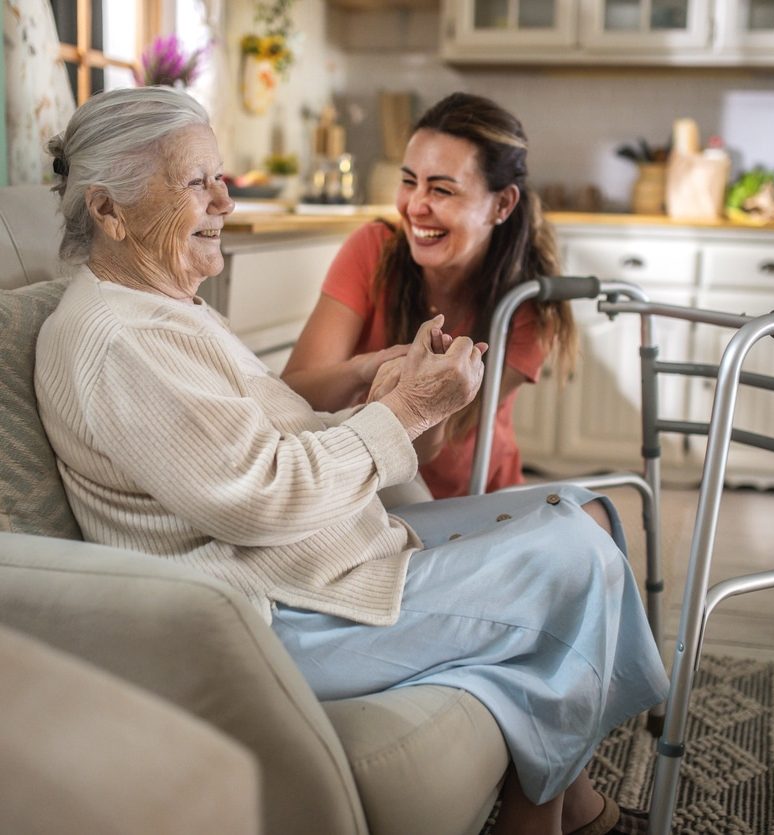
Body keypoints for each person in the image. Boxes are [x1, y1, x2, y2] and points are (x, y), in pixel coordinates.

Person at [35, 86, 668, 835]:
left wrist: (390, 404)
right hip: (281, 613)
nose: (226, 201)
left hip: (320, 566)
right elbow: (260, 494)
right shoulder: (121, 340)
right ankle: (565, 818)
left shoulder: (170, 310)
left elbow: (269, 446)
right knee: (570, 560)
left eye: (220, 176)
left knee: (569, 514)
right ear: (109, 210)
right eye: (197, 181)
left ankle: (560, 817)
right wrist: (402, 410)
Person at [282, 92, 576, 499]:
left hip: (465, 498)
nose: (415, 206)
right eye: (409, 181)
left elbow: (425, 449)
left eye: (442, 190)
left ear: (502, 204)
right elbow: (294, 395)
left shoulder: (524, 303)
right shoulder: (373, 249)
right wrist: (364, 369)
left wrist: (418, 397)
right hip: (365, 488)